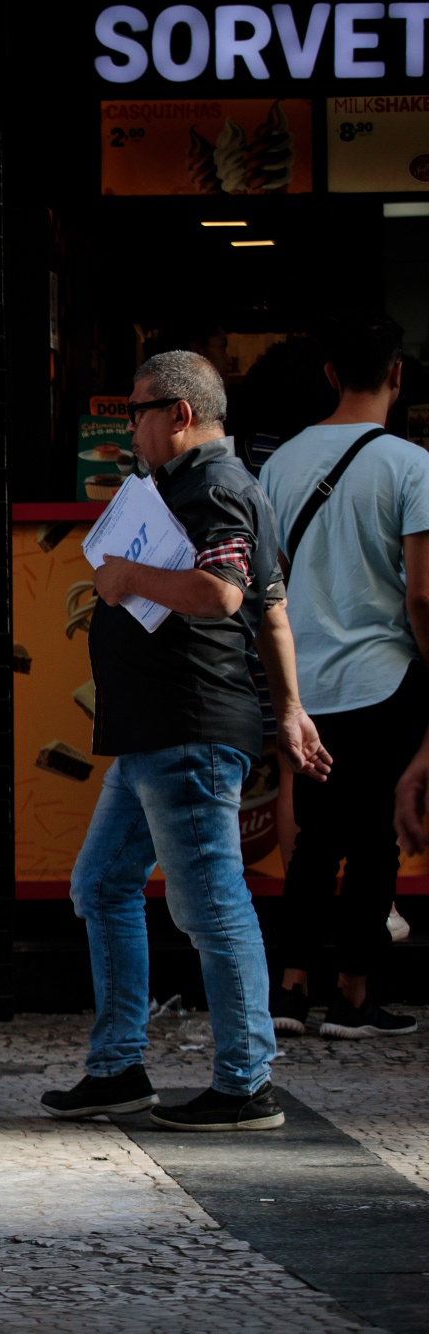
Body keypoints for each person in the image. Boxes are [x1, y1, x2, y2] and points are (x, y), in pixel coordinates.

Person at [43, 350, 329, 1131]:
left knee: (211, 906)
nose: (127, 424)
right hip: (153, 736)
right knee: (102, 884)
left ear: (179, 412)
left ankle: (245, 1083)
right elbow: (270, 610)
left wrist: (128, 577)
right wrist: (292, 709)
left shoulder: (215, 487)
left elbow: (224, 592)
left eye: (137, 410)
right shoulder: (189, 487)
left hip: (189, 731)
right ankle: (117, 1068)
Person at [259, 313, 429, 1041]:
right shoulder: (412, 466)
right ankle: (356, 996)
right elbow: (421, 593)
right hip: (383, 676)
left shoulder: (279, 464)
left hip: (305, 679)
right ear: (397, 374)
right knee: (372, 838)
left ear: (329, 374)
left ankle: (292, 988)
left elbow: (268, 581)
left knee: (315, 836)